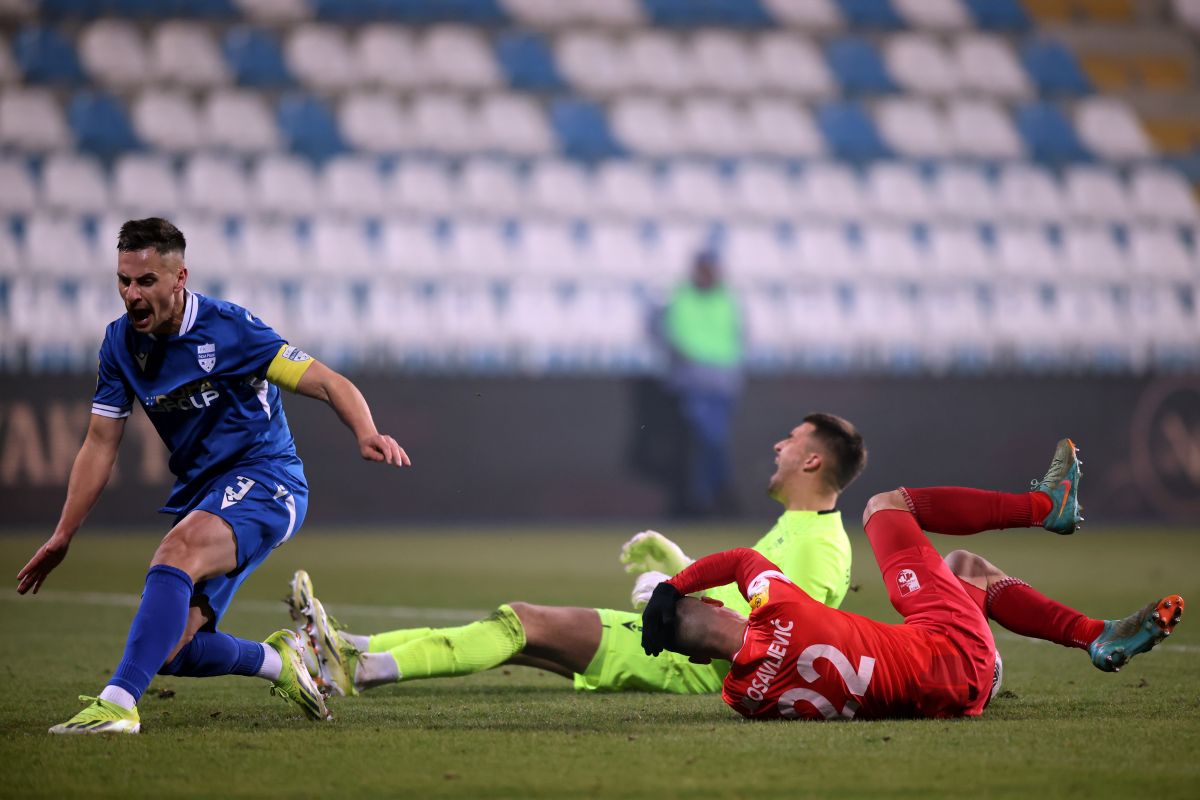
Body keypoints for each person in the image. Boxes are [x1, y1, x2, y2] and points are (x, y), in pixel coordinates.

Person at [16, 218, 411, 734]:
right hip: (206, 493)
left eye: (146, 282)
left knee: (176, 552)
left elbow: (327, 381)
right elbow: (98, 443)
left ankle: (118, 704)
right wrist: (63, 533)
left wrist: (366, 431)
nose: (132, 295)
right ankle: (279, 662)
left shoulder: (230, 329)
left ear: (179, 278)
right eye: (123, 281)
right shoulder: (118, 345)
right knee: (172, 649)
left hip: (269, 479)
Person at [288, 414, 867, 698]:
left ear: (813, 462)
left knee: (523, 621)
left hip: (678, 666)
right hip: (671, 652)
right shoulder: (800, 525)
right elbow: (751, 601)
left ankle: (358, 670)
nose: (778, 445)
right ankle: (349, 649)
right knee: (517, 629)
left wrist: (672, 600)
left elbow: (779, 645)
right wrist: (680, 568)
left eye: (791, 439)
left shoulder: (821, 547)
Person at [640, 439, 1184, 721]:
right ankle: (1045, 504)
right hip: (952, 650)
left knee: (965, 570)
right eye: (710, 603)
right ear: (715, 608)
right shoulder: (777, 610)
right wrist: (675, 585)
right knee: (884, 508)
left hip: (966, 693)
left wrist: (678, 624)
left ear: (693, 655)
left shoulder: (739, 698)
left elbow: (746, 658)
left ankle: (1095, 634)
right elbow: (738, 560)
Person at [656, 249, 743, 517]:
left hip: (722, 383)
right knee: (706, 440)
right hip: (695, 382)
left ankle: (707, 498)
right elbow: (674, 335)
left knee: (711, 441)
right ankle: (710, 497)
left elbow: (736, 337)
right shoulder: (681, 297)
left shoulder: (726, 299)